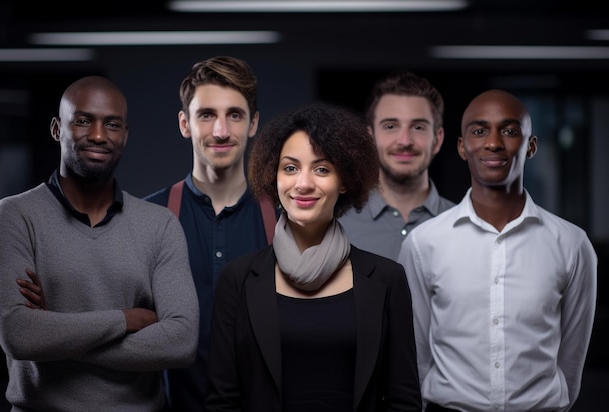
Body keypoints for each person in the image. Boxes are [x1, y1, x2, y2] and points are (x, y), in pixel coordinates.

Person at [0, 75, 200, 412]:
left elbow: (181, 342)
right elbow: (19, 335)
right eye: (83, 121)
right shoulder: (15, 216)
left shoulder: (159, 226)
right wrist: (126, 320)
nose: (98, 135)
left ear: (125, 135)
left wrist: (55, 334)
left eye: (111, 124)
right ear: (57, 129)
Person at [205, 102, 422, 411]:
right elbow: (222, 403)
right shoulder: (237, 280)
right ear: (273, 176)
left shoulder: (386, 279)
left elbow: (403, 401)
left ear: (344, 181)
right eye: (290, 168)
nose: (303, 183)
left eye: (322, 169)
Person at [398, 89, 597, 412]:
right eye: (479, 131)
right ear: (462, 147)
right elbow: (416, 352)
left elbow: (571, 359)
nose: (493, 142)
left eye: (509, 130)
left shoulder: (572, 244)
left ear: (530, 146)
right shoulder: (424, 243)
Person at [144, 55, 276, 411]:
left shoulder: (284, 221)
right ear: (185, 124)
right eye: (207, 115)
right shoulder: (145, 218)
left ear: (253, 124)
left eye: (234, 115)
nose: (221, 131)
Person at [339, 71, 455, 260]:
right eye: (391, 126)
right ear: (371, 138)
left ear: (437, 140)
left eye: (418, 127)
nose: (404, 141)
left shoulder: (462, 226)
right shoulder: (337, 226)